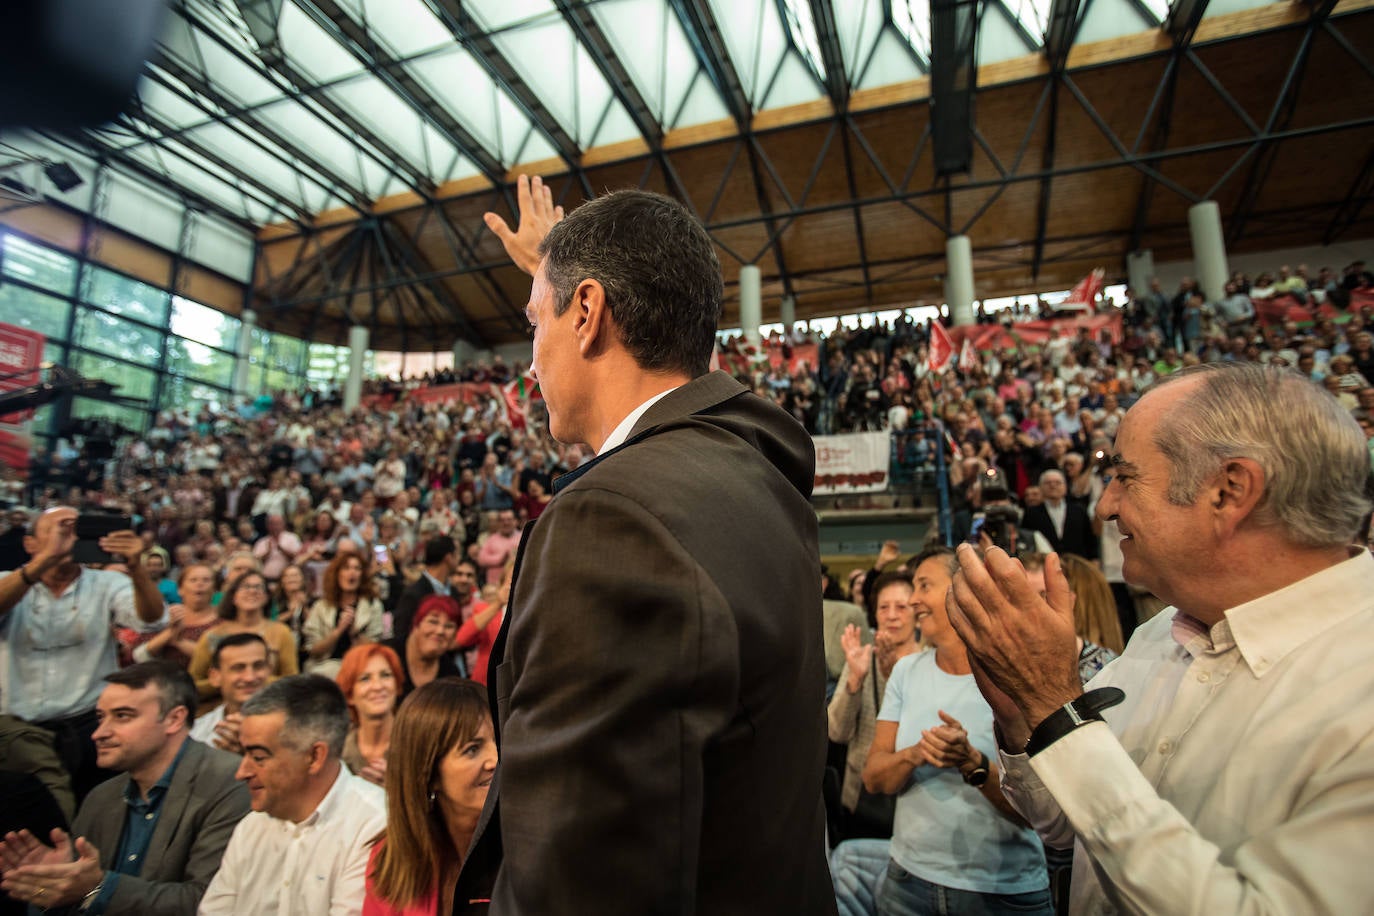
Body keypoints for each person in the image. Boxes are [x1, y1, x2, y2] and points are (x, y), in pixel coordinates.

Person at [456, 180, 833, 913]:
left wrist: (560, 280)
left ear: (588, 312)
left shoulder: (610, 520)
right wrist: (557, 269)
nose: (532, 364)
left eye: (537, 323)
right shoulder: (754, 468)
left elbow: (578, 876)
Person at [947, 362, 1374, 913]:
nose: (1104, 506)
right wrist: (1021, 715)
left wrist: (1057, 711)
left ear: (1230, 489)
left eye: (1126, 477)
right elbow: (1063, 828)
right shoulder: (1159, 634)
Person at [862, 547, 1051, 915]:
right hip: (908, 883)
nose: (913, 599)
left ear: (963, 590)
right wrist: (917, 753)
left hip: (1002, 892)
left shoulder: (1015, 673)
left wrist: (973, 764)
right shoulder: (906, 672)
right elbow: (874, 779)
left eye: (924, 585)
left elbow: (1041, 814)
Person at [0, 662, 249, 915]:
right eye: (100, 717)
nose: (99, 733)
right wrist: (51, 885)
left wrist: (98, 888)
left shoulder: (229, 783)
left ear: (174, 719)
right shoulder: (101, 797)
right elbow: (78, 895)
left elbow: (208, 902)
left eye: (122, 716)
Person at [0, 506, 166, 802]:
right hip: (19, 729)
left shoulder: (107, 583)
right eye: (56, 530)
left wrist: (136, 567)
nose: (67, 538)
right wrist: (43, 562)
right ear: (30, 543)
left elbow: (152, 618)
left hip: (90, 724)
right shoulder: (9, 581)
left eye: (74, 530)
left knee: (96, 809)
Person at [197, 675, 388, 916]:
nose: (241, 772)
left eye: (258, 758)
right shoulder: (251, 826)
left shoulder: (374, 826)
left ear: (314, 757)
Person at [362, 679, 496, 916]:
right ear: (429, 772)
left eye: (500, 740)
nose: (496, 759)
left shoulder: (529, 846)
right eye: (472, 749)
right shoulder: (391, 859)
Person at [187, 571, 299, 702]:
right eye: (245, 587)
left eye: (258, 587)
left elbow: (292, 681)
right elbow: (193, 684)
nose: (252, 591)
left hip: (269, 706)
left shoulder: (281, 633)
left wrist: (259, 680)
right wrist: (224, 681)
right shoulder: (213, 635)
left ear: (266, 597)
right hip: (218, 708)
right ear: (233, 596)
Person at [303, 553, 384, 678]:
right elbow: (313, 650)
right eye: (346, 568)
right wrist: (339, 630)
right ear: (337, 574)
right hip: (324, 666)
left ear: (362, 575)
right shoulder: (321, 606)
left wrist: (354, 632)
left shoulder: (373, 605)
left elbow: (375, 648)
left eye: (357, 569)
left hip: (361, 666)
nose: (352, 573)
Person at [190, 633, 271, 754]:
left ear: (269, 670)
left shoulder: (291, 728)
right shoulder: (196, 733)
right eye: (238, 668)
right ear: (215, 677)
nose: (250, 677)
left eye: (258, 666)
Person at [335, 644, 403, 787]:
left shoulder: (418, 744)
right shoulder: (336, 753)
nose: (378, 686)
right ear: (349, 695)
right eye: (365, 678)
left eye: (386, 675)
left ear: (397, 685)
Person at [386, 595, 462, 697]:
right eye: (433, 622)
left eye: (449, 626)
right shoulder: (385, 654)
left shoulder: (451, 674)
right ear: (416, 624)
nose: (440, 631)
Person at [391, 536, 457, 647]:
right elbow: (401, 636)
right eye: (457, 555)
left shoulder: (454, 591)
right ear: (449, 558)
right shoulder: (413, 594)